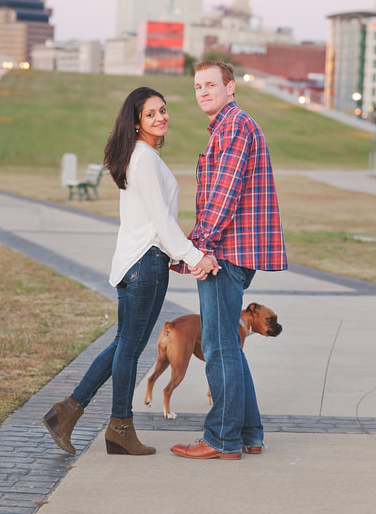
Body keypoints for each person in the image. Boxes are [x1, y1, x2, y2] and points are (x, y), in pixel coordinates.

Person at [42, 86, 218, 456]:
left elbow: (156, 219)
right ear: (137, 123)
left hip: (134, 263)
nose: (161, 117)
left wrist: (183, 252)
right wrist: (194, 256)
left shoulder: (139, 155)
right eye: (151, 114)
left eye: (163, 110)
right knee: (129, 349)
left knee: (125, 344)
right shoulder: (145, 159)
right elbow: (161, 221)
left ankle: (68, 411)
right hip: (146, 264)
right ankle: (119, 426)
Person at [171, 60, 287, 461]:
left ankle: (221, 439)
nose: (203, 91)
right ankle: (249, 434)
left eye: (211, 84)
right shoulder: (228, 126)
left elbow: (224, 193)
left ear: (231, 86)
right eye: (198, 86)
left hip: (225, 254)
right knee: (230, 350)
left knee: (219, 347)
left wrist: (201, 249)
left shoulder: (234, 126)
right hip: (234, 251)